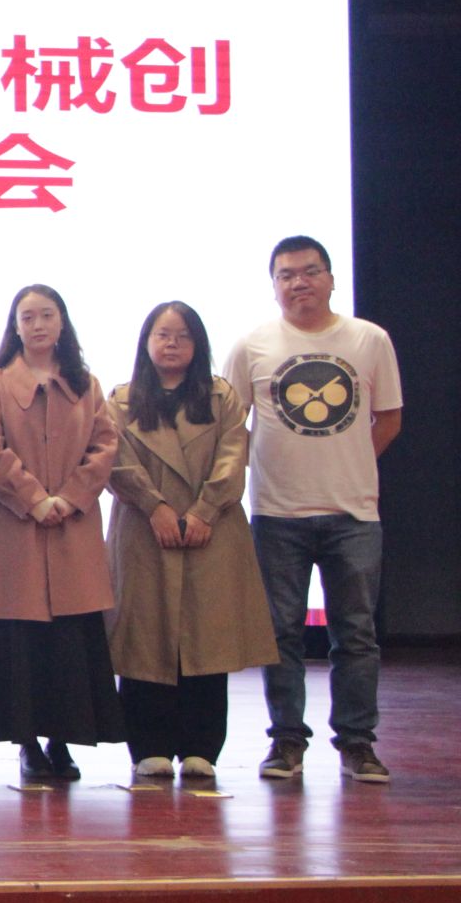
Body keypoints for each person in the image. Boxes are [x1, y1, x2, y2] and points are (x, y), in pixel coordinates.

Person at [223, 235, 403, 783]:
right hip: (277, 514)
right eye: (286, 275)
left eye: (309, 271)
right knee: (281, 634)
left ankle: (357, 743)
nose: (298, 283)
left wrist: (350, 462)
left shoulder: (369, 339)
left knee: (356, 634)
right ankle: (286, 743)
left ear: (330, 278)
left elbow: (389, 418)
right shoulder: (252, 345)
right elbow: (231, 426)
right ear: (273, 285)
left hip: (354, 514)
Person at [106, 302, 276, 780]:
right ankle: (149, 746)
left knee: (206, 640)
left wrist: (204, 510)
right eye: (162, 335)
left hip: (211, 530)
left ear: (198, 344)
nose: (172, 344)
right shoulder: (122, 400)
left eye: (182, 335)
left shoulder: (221, 397)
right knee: (144, 641)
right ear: (146, 342)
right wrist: (155, 507)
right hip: (144, 531)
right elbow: (115, 461)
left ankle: (202, 747)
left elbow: (233, 455)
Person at [0, 285, 123, 781]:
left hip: (73, 527)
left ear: (62, 323)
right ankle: (28, 744)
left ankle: (62, 741)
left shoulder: (87, 385)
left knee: (69, 640)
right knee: (22, 639)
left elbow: (104, 447)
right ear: (15, 327)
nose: (37, 325)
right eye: (28, 317)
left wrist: (70, 497)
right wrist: (35, 499)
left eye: (47, 315)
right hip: (14, 527)